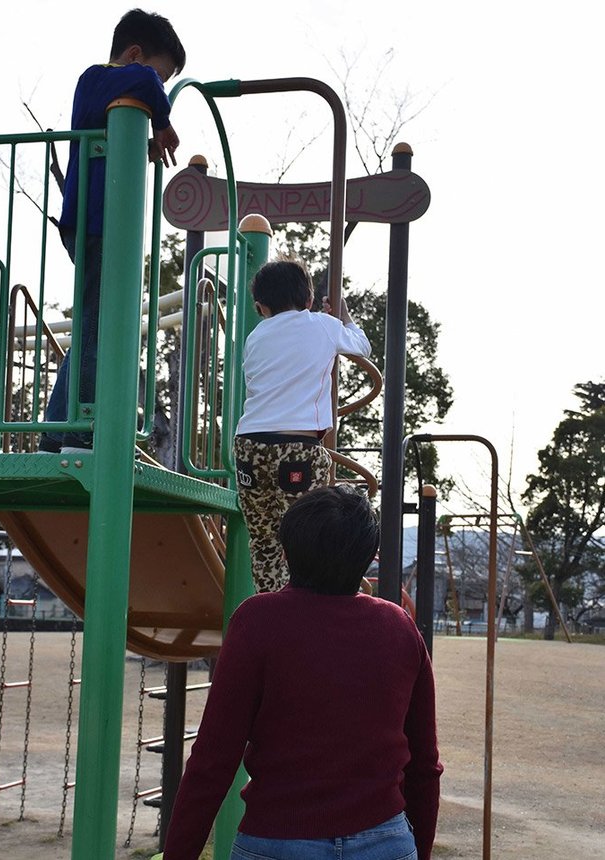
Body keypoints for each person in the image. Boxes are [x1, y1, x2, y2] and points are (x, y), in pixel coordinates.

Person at [162, 485, 443, 860]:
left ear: (285, 551)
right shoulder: (399, 627)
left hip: (276, 840)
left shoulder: (258, 621)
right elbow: (424, 764)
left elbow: (213, 759)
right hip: (384, 841)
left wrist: (178, 854)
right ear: (370, 558)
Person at [38, 8, 186, 453]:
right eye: (163, 76)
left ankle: (59, 431)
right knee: (96, 328)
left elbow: (140, 88)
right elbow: (142, 82)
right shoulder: (98, 77)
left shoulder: (112, 96)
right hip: (96, 222)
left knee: (94, 325)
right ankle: (77, 428)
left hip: (104, 224)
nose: (158, 86)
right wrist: (162, 120)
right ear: (135, 54)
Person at [233, 258, 371, 592]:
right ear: (308, 301)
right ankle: (309, 607)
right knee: (309, 539)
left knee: (264, 539)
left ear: (259, 306)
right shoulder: (322, 324)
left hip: (249, 445)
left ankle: (272, 606)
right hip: (297, 447)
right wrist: (344, 317)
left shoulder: (254, 337)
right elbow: (361, 345)